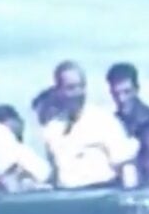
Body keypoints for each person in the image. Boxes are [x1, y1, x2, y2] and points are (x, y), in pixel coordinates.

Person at [43, 61, 139, 189]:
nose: (78, 93)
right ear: (58, 91)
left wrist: (130, 196)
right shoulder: (52, 129)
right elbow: (54, 174)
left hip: (102, 195)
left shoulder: (104, 121)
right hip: (67, 198)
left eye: (81, 86)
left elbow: (126, 166)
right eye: (71, 88)